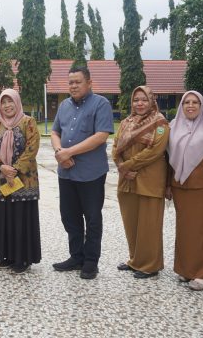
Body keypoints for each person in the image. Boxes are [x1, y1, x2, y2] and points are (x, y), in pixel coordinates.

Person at [50, 66, 114, 280]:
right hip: (66, 172)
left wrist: (69, 152)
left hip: (91, 173)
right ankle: (76, 256)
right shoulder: (64, 106)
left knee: (92, 218)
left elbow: (101, 136)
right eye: (70, 82)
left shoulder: (101, 104)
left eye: (78, 82)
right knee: (69, 216)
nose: (73, 86)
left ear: (89, 83)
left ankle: (91, 262)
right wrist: (60, 152)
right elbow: (55, 131)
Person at [166, 91, 203, 291]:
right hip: (180, 187)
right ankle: (187, 269)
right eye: (187, 102)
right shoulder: (173, 127)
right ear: (181, 106)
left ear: (202, 106)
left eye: (195, 102)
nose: (190, 106)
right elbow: (168, 160)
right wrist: (168, 185)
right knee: (185, 231)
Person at [112, 86, 169, 279]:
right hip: (127, 180)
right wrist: (121, 166)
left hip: (149, 180)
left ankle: (150, 265)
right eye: (136, 100)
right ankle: (135, 260)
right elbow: (115, 146)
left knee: (149, 225)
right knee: (131, 222)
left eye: (144, 100)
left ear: (152, 101)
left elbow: (155, 151)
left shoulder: (160, 123)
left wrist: (127, 165)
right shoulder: (126, 122)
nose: (140, 103)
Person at [0, 89, 41, 274]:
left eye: (10, 101)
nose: (7, 106)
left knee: (21, 217)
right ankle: (7, 255)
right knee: (5, 216)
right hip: (3, 179)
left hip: (24, 181)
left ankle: (23, 258)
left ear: (17, 103)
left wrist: (15, 169)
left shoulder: (28, 122)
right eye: (3, 102)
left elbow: (32, 148)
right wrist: (2, 167)